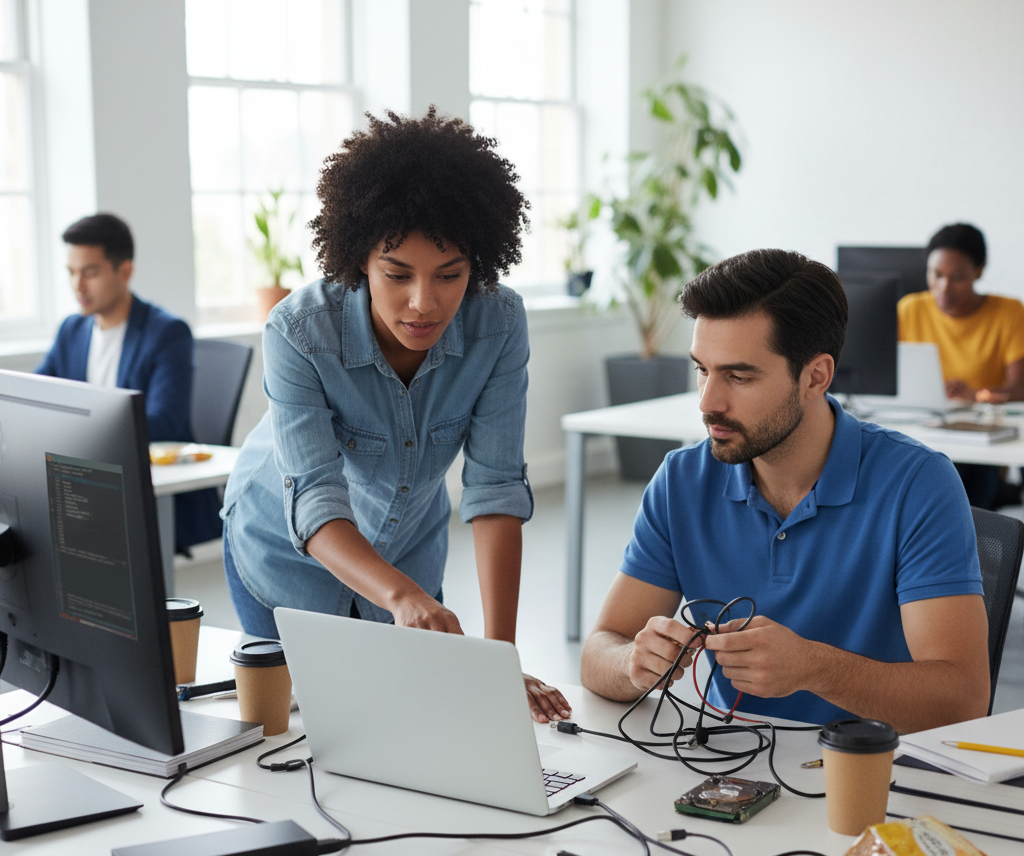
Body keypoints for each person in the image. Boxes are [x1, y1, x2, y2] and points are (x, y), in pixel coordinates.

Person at [222, 108, 571, 725]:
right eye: (397, 273)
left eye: (450, 275)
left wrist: (499, 658)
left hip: (409, 546)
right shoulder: (301, 330)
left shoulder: (499, 323)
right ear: (359, 258)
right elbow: (316, 501)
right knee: (301, 739)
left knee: (415, 729)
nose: (423, 303)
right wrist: (402, 597)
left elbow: (493, 490)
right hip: (283, 554)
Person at [580, 249, 989, 735]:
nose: (708, 402)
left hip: (874, 775)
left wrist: (814, 667)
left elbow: (962, 700)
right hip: (729, 763)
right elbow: (599, 650)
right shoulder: (681, 480)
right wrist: (633, 662)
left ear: (815, 377)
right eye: (702, 370)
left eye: (739, 375)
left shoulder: (919, 483)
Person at [35, 213, 221, 550]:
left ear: (125, 271)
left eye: (90, 272)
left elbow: (164, 422)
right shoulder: (71, 331)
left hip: (150, 497)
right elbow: (35, 396)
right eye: (71, 273)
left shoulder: (167, 332)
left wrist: (75, 432)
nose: (78, 286)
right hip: (89, 486)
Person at [898, 223, 1024, 509]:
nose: (944, 287)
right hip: (923, 429)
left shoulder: (1008, 312)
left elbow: (1019, 389)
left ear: (978, 271)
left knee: (960, 485)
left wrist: (976, 394)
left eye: (957, 277)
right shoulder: (910, 309)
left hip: (978, 441)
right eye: (937, 275)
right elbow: (890, 376)